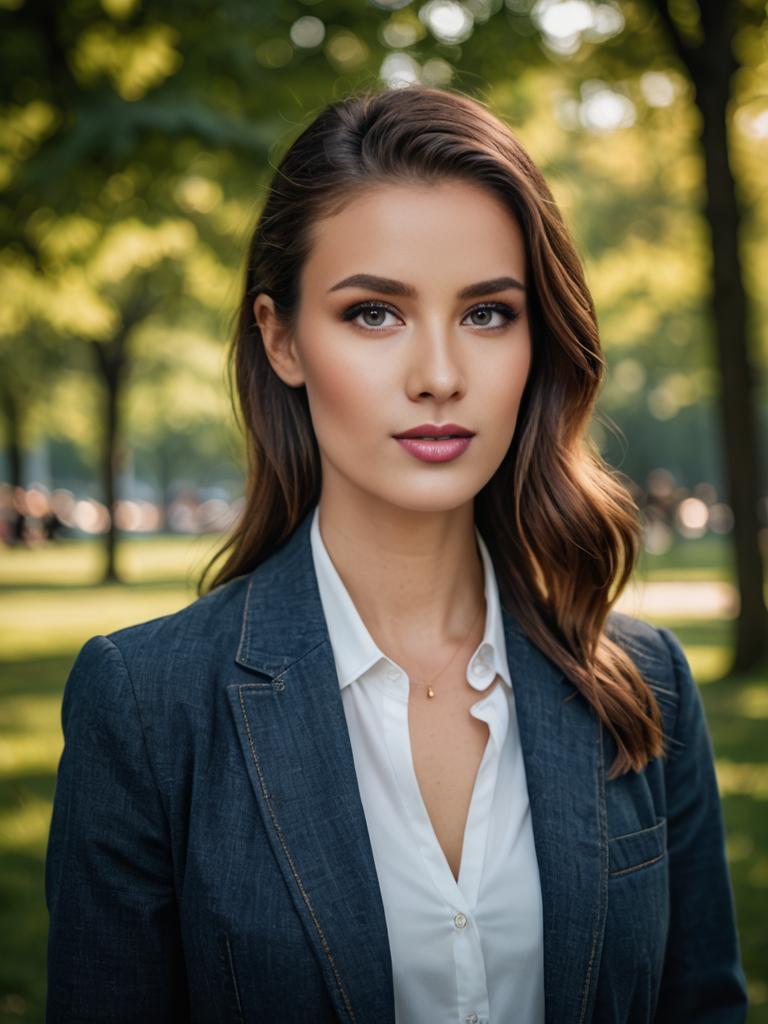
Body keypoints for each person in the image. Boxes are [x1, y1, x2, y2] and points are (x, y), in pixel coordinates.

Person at [44, 84, 749, 1023]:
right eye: (375, 313)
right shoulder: (145, 704)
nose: (439, 377)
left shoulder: (645, 683)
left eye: (487, 313)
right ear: (282, 338)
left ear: (539, 339)